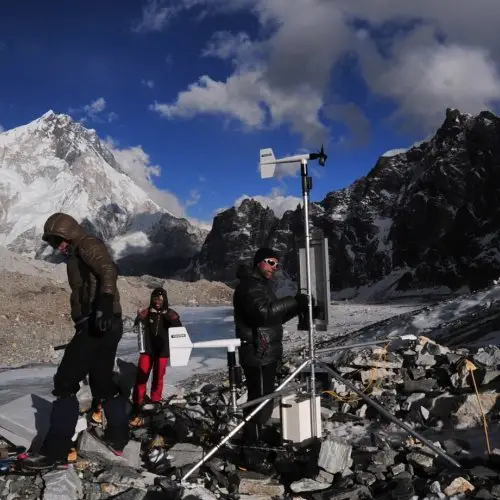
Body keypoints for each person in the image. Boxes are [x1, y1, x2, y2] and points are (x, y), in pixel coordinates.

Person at [22, 213, 129, 470]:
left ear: (68, 232)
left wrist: (103, 301)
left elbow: (107, 269)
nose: (57, 246)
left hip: (97, 322)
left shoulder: (86, 244)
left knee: (65, 382)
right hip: (107, 323)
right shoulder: (77, 250)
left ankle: (55, 451)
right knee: (102, 383)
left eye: (58, 239)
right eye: (51, 242)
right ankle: (118, 436)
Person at [233, 247, 311, 445]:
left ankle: (256, 436)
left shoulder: (261, 286)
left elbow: (274, 318)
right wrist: (292, 301)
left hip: (266, 351)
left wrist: (296, 307)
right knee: (258, 400)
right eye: (270, 262)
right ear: (258, 261)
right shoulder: (249, 286)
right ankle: (251, 444)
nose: (274, 267)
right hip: (257, 352)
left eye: (277, 264)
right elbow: (263, 313)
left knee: (264, 399)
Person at [130, 287, 181, 422]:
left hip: (163, 351)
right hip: (147, 350)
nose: (157, 301)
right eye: (155, 298)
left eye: (160, 299)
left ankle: (155, 401)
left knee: (158, 377)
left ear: (165, 300)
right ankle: (138, 402)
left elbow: (179, 330)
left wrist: (174, 319)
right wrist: (139, 317)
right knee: (142, 376)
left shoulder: (170, 314)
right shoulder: (147, 313)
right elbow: (137, 326)